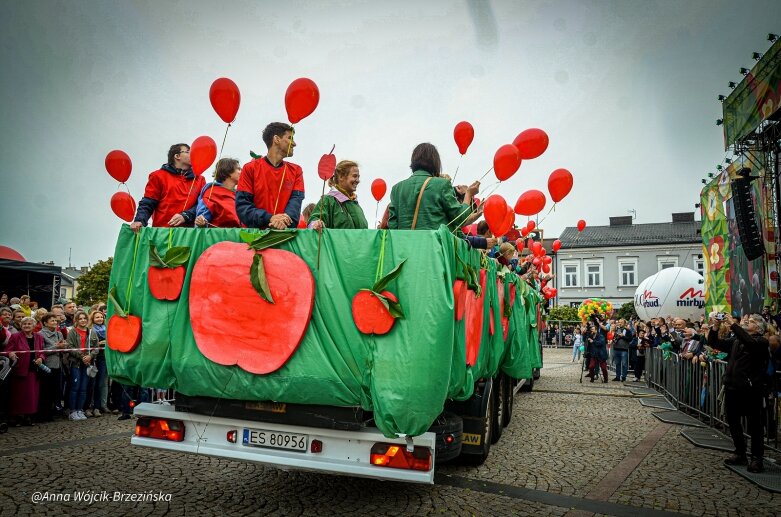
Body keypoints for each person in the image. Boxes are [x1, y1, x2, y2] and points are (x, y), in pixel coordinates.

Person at [707, 313, 770, 473]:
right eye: (748, 320)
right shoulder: (736, 340)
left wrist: (733, 325)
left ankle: (757, 458)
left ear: (760, 327)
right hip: (733, 387)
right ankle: (740, 452)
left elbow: (750, 343)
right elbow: (715, 343)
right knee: (733, 421)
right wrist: (715, 327)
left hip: (751, 390)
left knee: (755, 425)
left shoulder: (761, 342)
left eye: (753, 321)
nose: (748, 321)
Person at [387, 143, 480, 231]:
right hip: (433, 246)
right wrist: (468, 194)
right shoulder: (442, 184)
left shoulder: (396, 189)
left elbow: (392, 226)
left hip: (404, 246)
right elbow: (460, 218)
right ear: (435, 162)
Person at [236, 122, 304, 229]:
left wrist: (284, 220)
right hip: (254, 238)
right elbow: (243, 207)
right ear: (277, 139)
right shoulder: (249, 168)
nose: (294, 143)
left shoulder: (296, 171)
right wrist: (270, 218)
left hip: (284, 235)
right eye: (290, 138)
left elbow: (296, 201)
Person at [130, 143, 205, 231]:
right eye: (188, 152)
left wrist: (186, 215)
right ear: (177, 156)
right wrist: (139, 220)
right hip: (162, 233)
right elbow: (148, 202)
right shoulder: (158, 176)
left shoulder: (200, 179)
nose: (193, 154)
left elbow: (202, 205)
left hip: (188, 235)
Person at [5, 317, 45, 426]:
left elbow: (42, 351)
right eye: (24, 324)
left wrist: (41, 358)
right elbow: (8, 350)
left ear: (33, 326)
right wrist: (11, 354)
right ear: (21, 326)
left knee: (32, 395)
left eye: (29, 324)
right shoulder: (15, 336)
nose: (26, 325)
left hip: (34, 369)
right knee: (19, 395)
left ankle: (29, 416)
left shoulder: (39, 337)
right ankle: (18, 417)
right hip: (20, 369)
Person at [308, 160, 368, 230]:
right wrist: (316, 224)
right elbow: (313, 222)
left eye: (358, 177)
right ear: (341, 176)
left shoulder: (356, 205)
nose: (358, 180)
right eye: (354, 176)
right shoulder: (327, 200)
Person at [65, 310, 97, 421]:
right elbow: (69, 346)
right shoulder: (73, 332)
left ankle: (80, 409)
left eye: (84, 318)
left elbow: (96, 347)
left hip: (88, 364)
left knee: (84, 388)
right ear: (76, 320)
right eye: (80, 318)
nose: (83, 320)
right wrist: (82, 356)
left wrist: (90, 356)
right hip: (76, 363)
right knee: (75, 387)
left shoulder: (92, 332)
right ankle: (73, 411)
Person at [195, 158, 242, 228]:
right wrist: (201, 223)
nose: (242, 172)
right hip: (218, 237)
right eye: (238, 169)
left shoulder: (239, 195)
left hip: (238, 237)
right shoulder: (211, 193)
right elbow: (201, 222)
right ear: (228, 172)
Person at [38, 312, 67, 421]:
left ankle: (53, 412)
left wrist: (64, 346)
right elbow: (41, 351)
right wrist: (57, 346)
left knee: (56, 390)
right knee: (46, 390)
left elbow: (63, 346)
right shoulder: (40, 334)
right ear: (45, 323)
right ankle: (44, 414)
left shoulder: (59, 333)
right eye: (52, 321)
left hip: (58, 364)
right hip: (47, 365)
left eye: (56, 320)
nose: (55, 322)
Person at [87, 310, 108, 416]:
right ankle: (90, 406)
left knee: (101, 384)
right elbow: (88, 344)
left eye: (101, 317)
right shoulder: (90, 330)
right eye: (97, 317)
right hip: (94, 358)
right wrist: (99, 343)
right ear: (92, 319)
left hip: (104, 358)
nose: (100, 319)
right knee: (92, 384)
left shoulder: (107, 329)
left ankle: (98, 406)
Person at [585, 316, 609, 383]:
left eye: (592, 329)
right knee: (591, 366)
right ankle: (592, 378)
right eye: (591, 329)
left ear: (596, 330)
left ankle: (606, 379)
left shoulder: (600, 336)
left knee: (603, 368)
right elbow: (586, 341)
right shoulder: (591, 336)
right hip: (594, 354)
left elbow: (601, 343)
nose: (591, 331)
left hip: (601, 354)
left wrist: (593, 341)